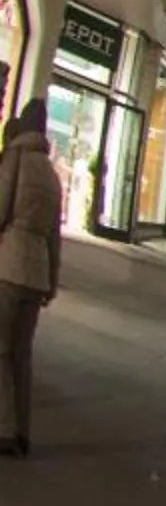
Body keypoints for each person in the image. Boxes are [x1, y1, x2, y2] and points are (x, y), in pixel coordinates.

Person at [0, 99, 63, 457]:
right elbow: (54, 235)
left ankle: (4, 428)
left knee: (1, 351)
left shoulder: (15, 160)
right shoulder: (51, 175)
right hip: (36, 272)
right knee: (22, 355)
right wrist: (52, 280)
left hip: (9, 265)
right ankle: (23, 430)